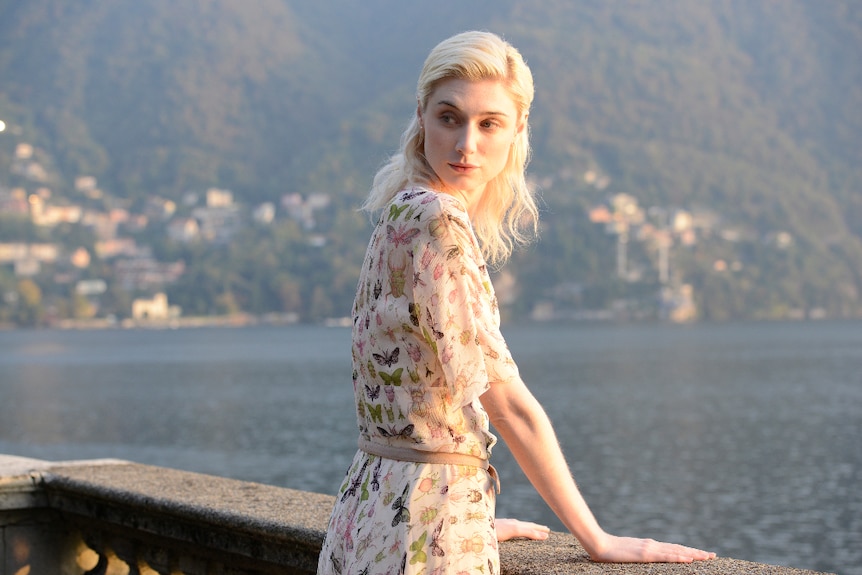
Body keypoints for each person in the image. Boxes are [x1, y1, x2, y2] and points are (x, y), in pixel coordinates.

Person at [317, 30, 716, 575]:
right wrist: (596, 539)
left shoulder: (398, 211)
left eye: (489, 124)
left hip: (367, 515)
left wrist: (470, 510)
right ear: (421, 115)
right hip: (426, 535)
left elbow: (405, 400)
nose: (466, 145)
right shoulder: (438, 222)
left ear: (518, 128)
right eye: (449, 118)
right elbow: (509, 407)